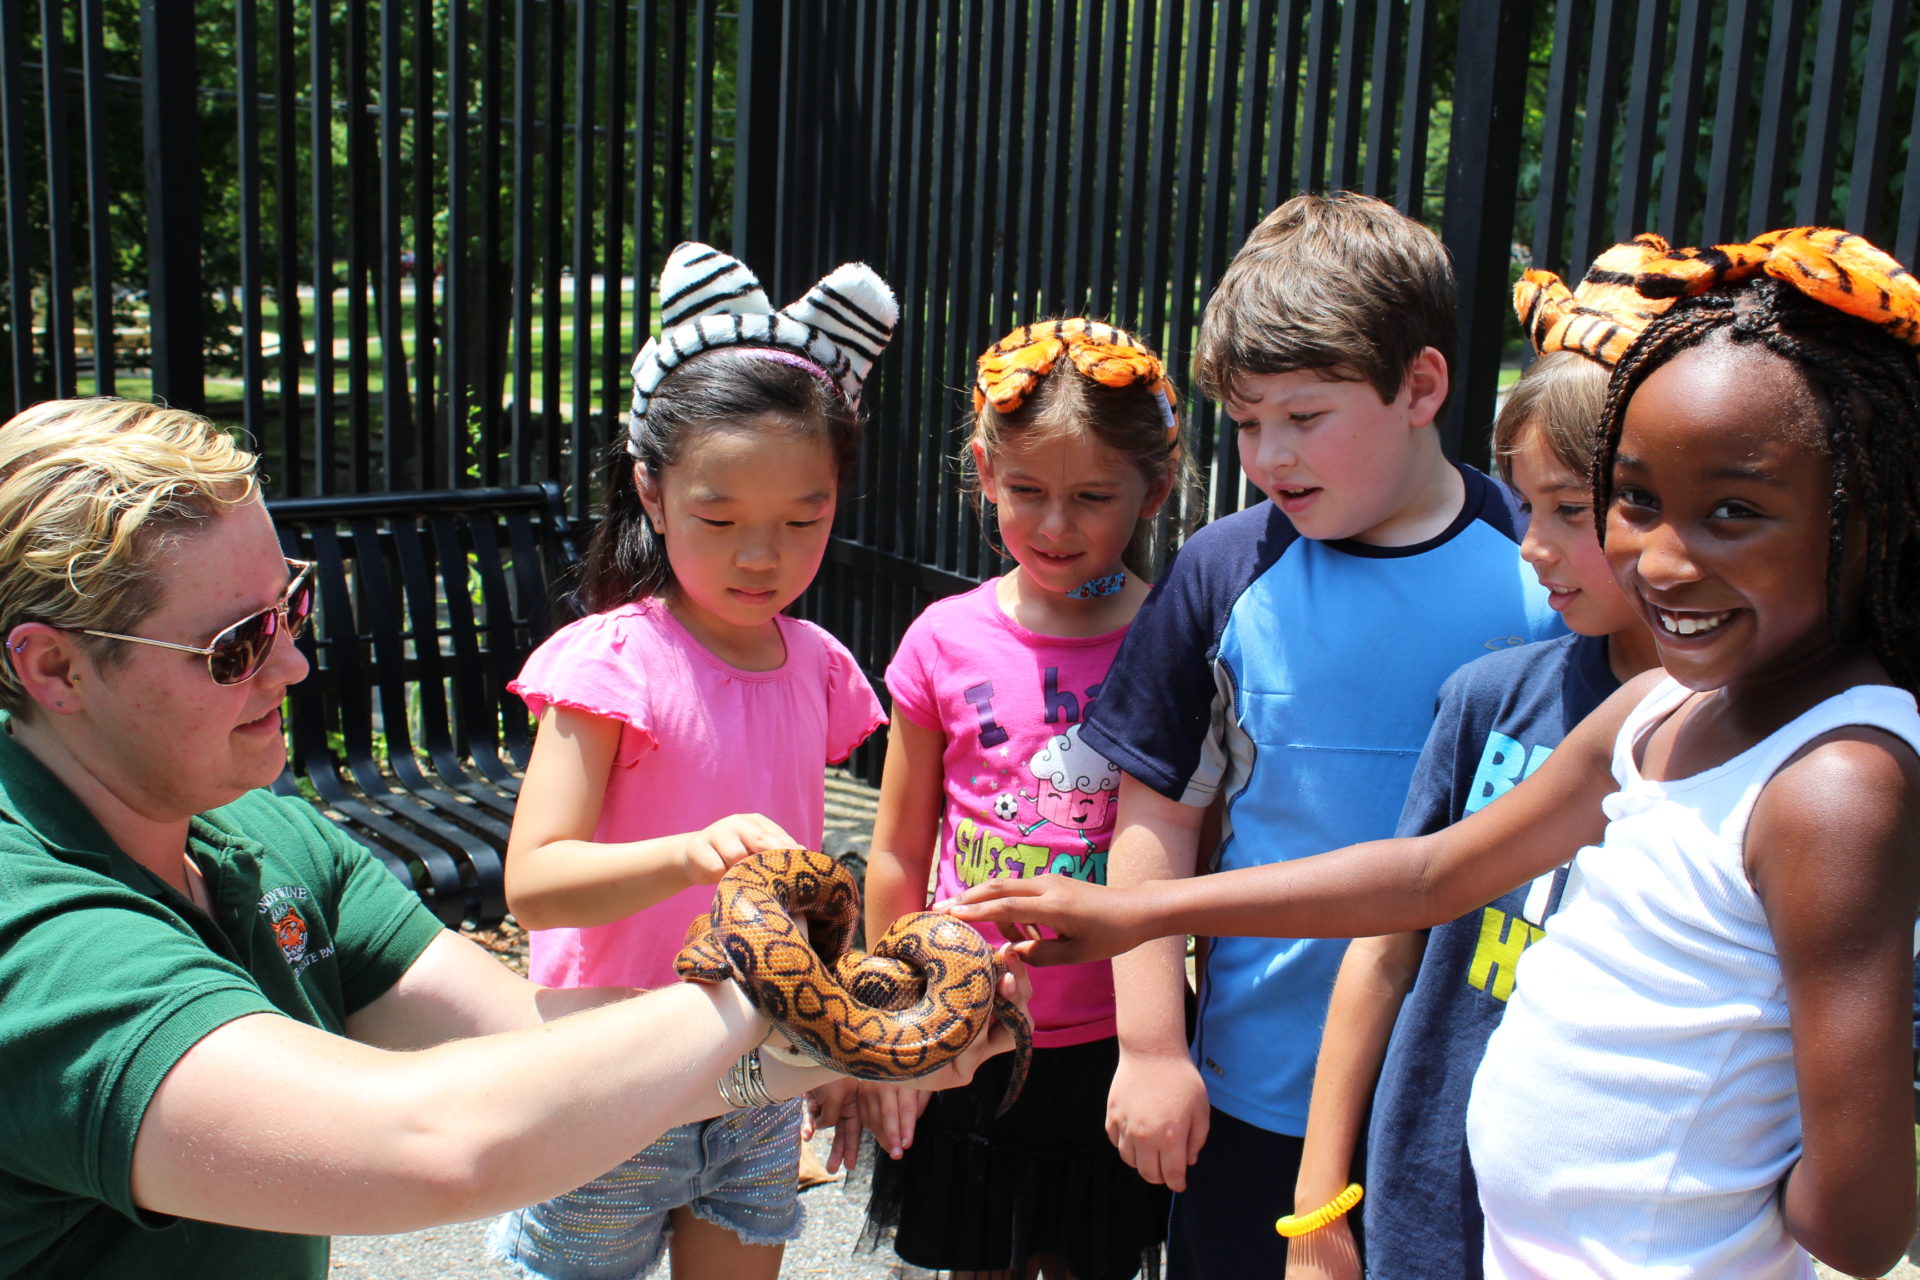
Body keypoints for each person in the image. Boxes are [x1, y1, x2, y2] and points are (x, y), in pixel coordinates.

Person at [949, 226, 1920, 1279]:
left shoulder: (1832, 782)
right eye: (1637, 500)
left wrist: (1701, 1193)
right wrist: (1134, 918)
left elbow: (1856, 1209)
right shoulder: (1652, 708)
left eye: (1732, 510)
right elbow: (1424, 874)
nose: (1664, 555)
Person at [0, 428, 1021, 1272]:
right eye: (236, 643)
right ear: (53, 665)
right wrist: (781, 980)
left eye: (294, 606)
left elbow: (534, 1055)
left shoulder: (256, 829)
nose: (295, 662)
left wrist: (852, 1040)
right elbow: (445, 1141)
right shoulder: (43, 939)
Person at [1063, 191, 1561, 1276]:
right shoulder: (1222, 571)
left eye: (1304, 414)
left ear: (1421, 384)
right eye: (1245, 422)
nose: (1268, 456)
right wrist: (1149, 1045)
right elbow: (1154, 810)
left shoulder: (1547, 569)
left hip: (1477, 1100)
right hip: (1257, 1087)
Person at [487, 241, 898, 1280]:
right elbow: (535, 885)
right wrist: (690, 852)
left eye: (804, 519)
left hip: (756, 1070)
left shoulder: (819, 664)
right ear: (651, 490)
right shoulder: (611, 662)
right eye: (719, 519)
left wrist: (841, 1039)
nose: (762, 555)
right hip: (610, 1076)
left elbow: (816, 895)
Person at [1286, 235, 1676, 1280]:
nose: (1533, 545)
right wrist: (1319, 1201)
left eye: (1570, 511)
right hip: (1425, 1202)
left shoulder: (1751, 751)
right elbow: (1385, 944)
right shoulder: (1489, 702)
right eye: (1525, 504)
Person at [854, 319, 1191, 1280]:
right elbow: (895, 852)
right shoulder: (940, 640)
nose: (1054, 525)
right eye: (1029, 491)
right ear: (986, 472)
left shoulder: (1179, 640)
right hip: (968, 1027)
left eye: (1092, 497)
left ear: (1154, 489)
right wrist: (894, 1019)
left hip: (1114, 1036)